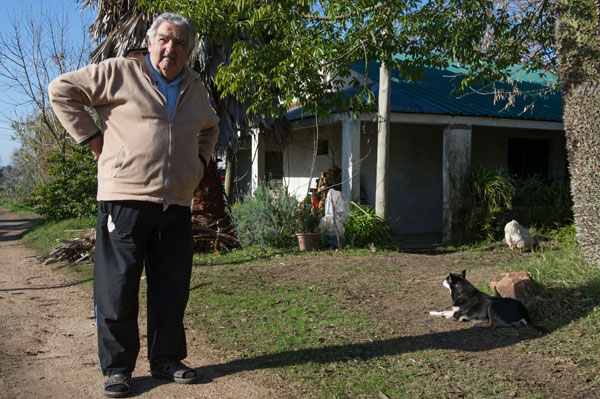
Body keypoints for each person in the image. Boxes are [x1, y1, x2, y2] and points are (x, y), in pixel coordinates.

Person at [49, 12, 219, 398]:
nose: (170, 48)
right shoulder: (120, 71)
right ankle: (118, 370)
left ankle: (167, 360)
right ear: (150, 39)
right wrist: (94, 140)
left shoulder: (195, 87)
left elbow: (210, 128)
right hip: (123, 200)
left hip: (175, 203)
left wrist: (199, 165)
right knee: (117, 288)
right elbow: (61, 90)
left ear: (189, 49)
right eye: (164, 39)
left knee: (172, 287)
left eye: (179, 43)